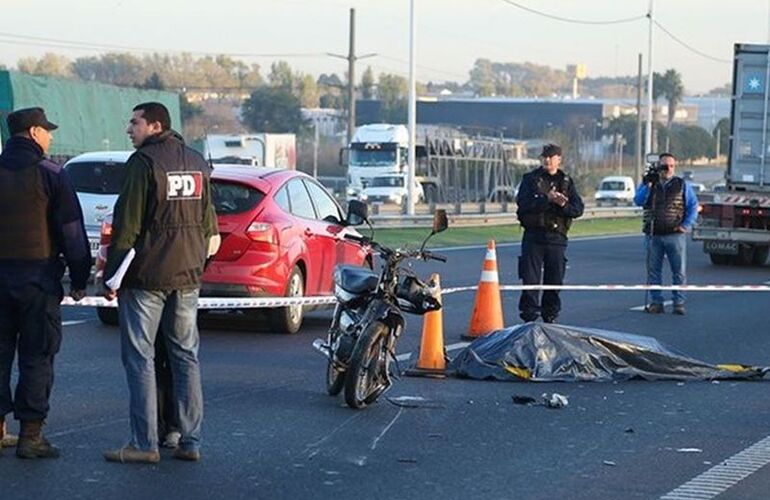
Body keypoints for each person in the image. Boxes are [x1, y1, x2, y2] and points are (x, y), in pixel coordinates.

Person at [102, 102, 219, 464]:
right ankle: (190, 441)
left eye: (134, 122)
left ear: (154, 126)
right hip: (186, 276)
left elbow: (128, 226)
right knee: (186, 357)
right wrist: (197, 262)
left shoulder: (143, 163)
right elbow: (207, 224)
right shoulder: (197, 162)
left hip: (147, 276)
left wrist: (112, 276)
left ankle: (144, 443)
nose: (128, 129)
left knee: (140, 358)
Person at [0, 107, 90, 459]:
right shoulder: (52, 174)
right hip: (37, 281)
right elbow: (72, 234)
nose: (50, 137)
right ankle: (31, 436)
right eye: (47, 131)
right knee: (37, 355)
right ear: (34, 132)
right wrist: (80, 280)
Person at [515, 143, 584, 323]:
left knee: (554, 280)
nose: (547, 160)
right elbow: (523, 204)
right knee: (530, 280)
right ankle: (529, 317)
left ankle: (550, 315)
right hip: (533, 237)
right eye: (545, 157)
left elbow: (577, 209)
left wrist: (562, 204)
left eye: (551, 157)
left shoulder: (567, 182)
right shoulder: (531, 179)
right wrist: (547, 199)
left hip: (557, 238)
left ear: (559, 159)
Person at [634, 152, 698, 315]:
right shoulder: (650, 184)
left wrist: (686, 225)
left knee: (678, 271)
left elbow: (693, 206)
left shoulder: (682, 185)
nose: (668, 169)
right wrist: (648, 185)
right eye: (664, 166)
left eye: (671, 166)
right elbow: (639, 201)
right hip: (653, 233)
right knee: (653, 270)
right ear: (658, 167)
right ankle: (656, 302)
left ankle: (679, 302)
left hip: (674, 234)